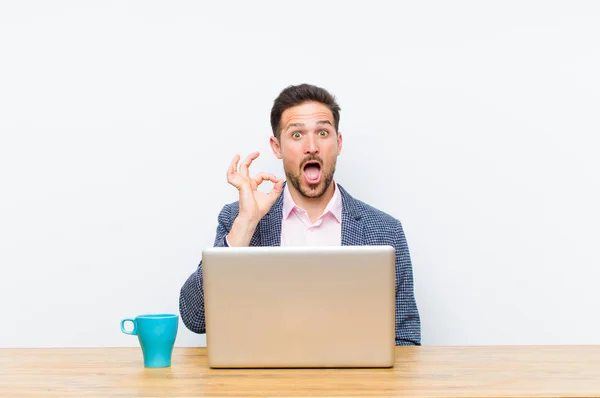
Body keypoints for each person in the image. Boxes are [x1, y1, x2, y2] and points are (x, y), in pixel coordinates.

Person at [179, 84, 421, 345]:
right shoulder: (239, 221)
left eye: (323, 132)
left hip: (353, 384)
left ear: (338, 143)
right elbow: (196, 318)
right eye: (297, 135)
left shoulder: (386, 232)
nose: (312, 147)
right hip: (261, 384)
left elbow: (405, 338)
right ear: (277, 147)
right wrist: (246, 224)